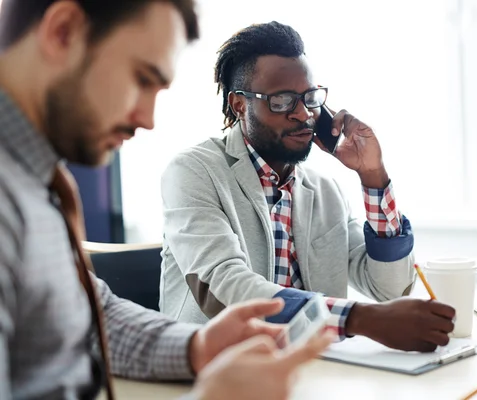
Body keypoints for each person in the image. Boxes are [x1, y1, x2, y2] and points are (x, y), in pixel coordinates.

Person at [0, 2, 332, 399]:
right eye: (141, 78)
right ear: (63, 32)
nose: (148, 119)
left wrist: (196, 348)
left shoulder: (32, 177)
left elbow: (91, 314)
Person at [160, 21, 456, 352]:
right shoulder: (193, 172)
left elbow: (391, 289)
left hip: (313, 367)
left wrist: (373, 175)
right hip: (222, 368)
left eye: (309, 97)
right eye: (282, 101)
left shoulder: (324, 190)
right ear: (240, 104)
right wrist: (362, 319)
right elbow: (224, 287)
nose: (303, 114)